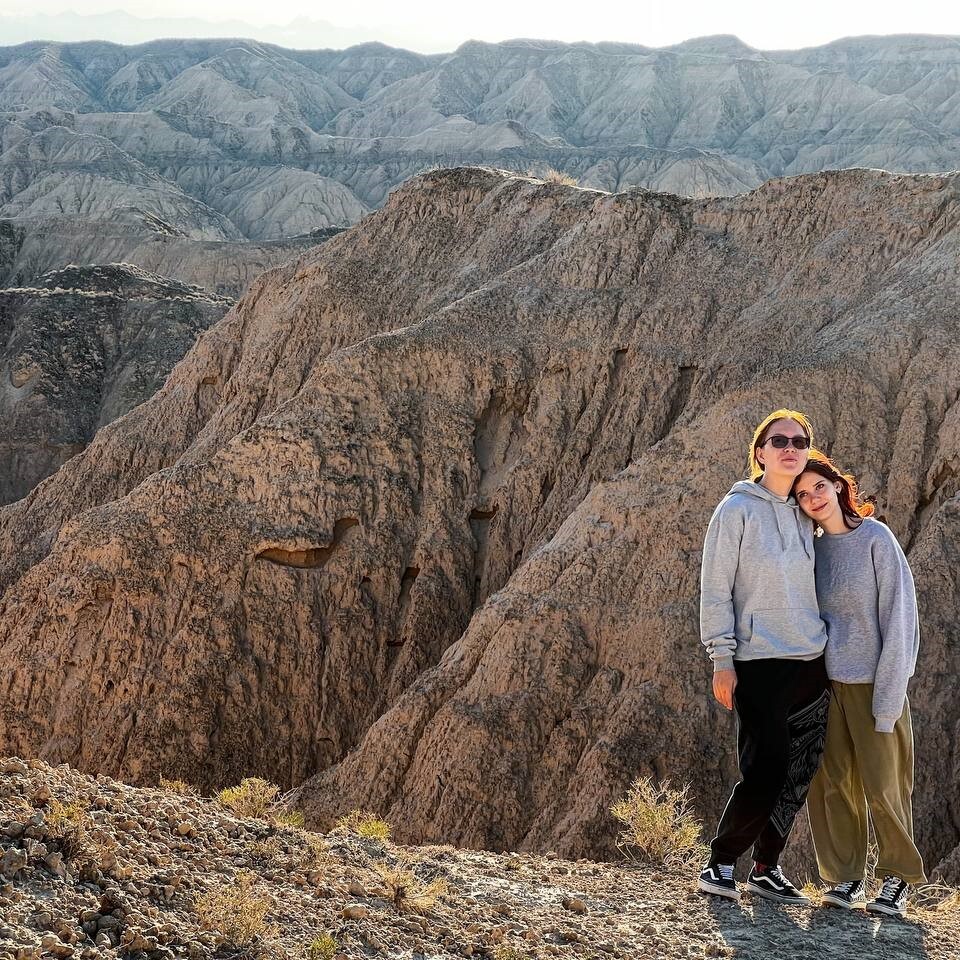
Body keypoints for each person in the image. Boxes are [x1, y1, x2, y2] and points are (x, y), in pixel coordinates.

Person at [697, 409, 830, 905]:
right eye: (779, 441)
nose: (790, 447)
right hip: (759, 661)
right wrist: (722, 658)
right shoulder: (736, 511)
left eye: (799, 441)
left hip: (811, 661)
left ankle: (767, 867)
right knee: (766, 768)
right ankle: (721, 862)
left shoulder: (804, 511)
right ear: (760, 452)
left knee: (800, 769)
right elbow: (715, 589)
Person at [793, 452, 925, 916]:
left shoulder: (876, 539)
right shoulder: (810, 549)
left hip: (874, 684)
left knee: (884, 785)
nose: (813, 499)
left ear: (837, 485)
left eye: (819, 488)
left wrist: (889, 699)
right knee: (832, 785)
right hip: (825, 687)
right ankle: (845, 878)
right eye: (803, 494)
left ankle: (895, 880)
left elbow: (900, 618)